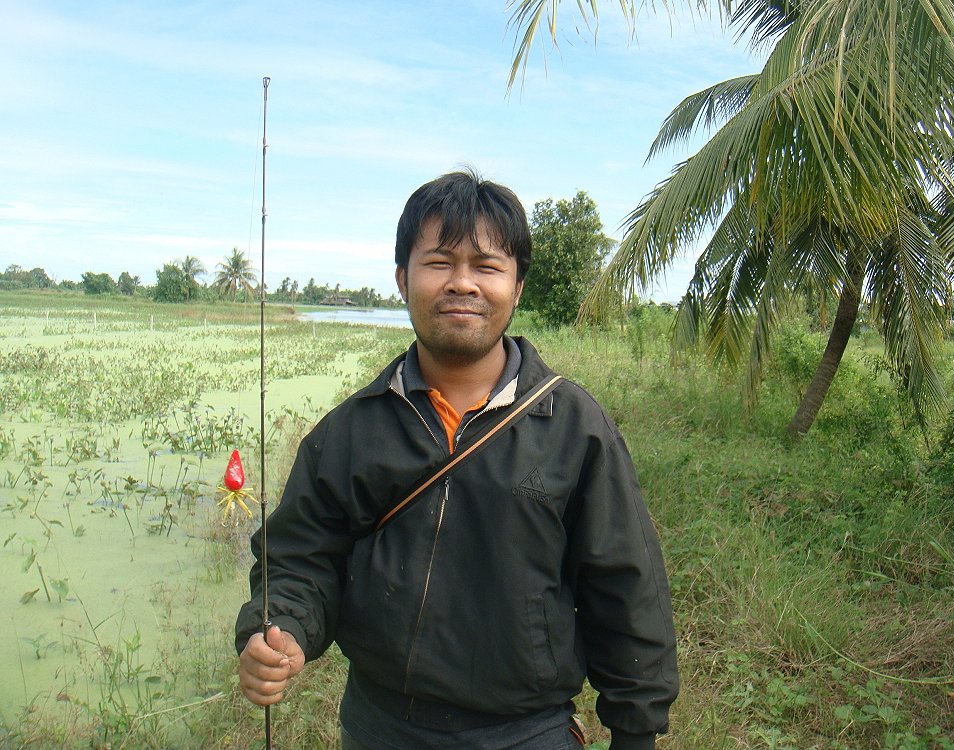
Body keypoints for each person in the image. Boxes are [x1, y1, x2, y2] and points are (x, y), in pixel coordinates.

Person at [236, 169, 679, 750]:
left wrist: (636, 732)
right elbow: (297, 559)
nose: (462, 284)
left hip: (527, 731)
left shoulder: (576, 429)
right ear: (402, 279)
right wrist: (280, 625)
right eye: (439, 262)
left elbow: (627, 588)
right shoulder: (349, 431)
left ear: (517, 287)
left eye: (488, 266)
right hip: (379, 726)